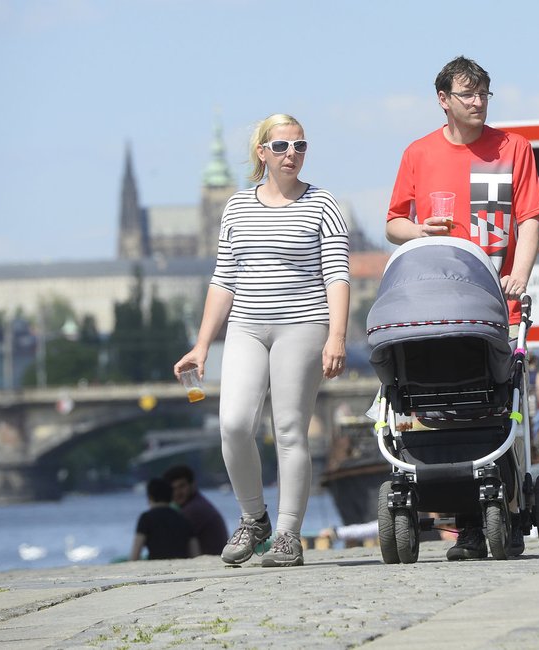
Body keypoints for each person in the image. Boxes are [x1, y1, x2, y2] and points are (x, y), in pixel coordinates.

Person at [385, 56, 539, 562]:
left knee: (498, 401)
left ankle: (497, 512)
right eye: (467, 95)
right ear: (443, 100)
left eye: (483, 95)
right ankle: (453, 508)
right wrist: (419, 232)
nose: (477, 103)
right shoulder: (418, 152)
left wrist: (520, 274)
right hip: (433, 303)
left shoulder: (512, 149)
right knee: (433, 403)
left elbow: (532, 218)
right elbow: (393, 223)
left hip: (494, 300)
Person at [173, 113, 351, 568]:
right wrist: (200, 345)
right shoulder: (236, 207)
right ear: (262, 153)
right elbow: (223, 280)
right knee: (232, 424)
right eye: (282, 147)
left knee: (289, 430)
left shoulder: (323, 204)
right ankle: (255, 519)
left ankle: (290, 534)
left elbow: (337, 275)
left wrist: (336, 336)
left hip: (303, 324)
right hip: (247, 327)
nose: (292, 154)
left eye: (300, 146)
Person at [162, 465, 229, 555]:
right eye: (173, 489)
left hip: (210, 559)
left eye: (182, 486)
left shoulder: (193, 510)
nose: (177, 492)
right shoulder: (199, 503)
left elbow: (173, 544)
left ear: (192, 485)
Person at [130, 478, 199, 561]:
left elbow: (135, 556)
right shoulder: (183, 519)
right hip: (181, 568)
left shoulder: (146, 518)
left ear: (150, 497)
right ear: (171, 497)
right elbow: (196, 555)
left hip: (156, 568)